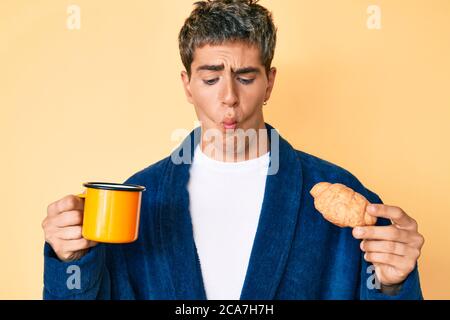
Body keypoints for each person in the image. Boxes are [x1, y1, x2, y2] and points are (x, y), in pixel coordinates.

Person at [42, 0, 424, 299]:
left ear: (269, 83)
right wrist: (71, 260)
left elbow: (383, 289)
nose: (229, 98)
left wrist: (393, 284)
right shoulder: (137, 202)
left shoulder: (346, 198)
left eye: (245, 77)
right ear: (187, 84)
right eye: (210, 79)